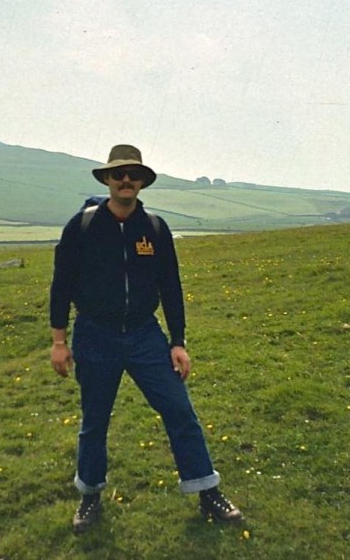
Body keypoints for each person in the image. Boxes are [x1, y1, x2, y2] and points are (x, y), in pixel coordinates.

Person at [49, 144, 243, 533]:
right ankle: (90, 497)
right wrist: (59, 340)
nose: (125, 180)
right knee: (95, 421)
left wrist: (178, 341)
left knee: (179, 411)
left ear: (141, 182)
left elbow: (170, 286)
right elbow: (62, 283)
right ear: (106, 179)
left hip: (144, 335)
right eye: (118, 173)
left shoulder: (154, 228)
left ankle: (207, 491)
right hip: (95, 336)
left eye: (133, 175)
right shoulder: (82, 226)